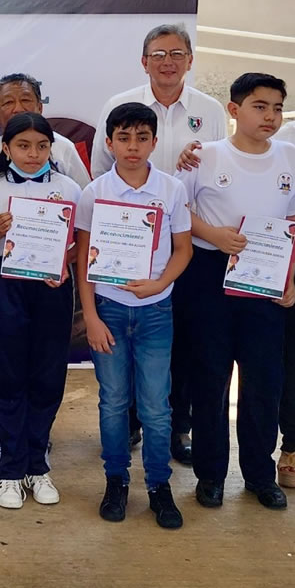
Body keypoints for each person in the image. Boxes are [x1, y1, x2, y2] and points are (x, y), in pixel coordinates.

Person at [94, 24, 226, 463]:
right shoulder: (119, 106)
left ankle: (176, 427)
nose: (167, 61)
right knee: (126, 343)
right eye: (157, 54)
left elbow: (217, 177)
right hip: (128, 248)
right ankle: (129, 424)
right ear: (143, 60)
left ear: (190, 59)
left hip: (189, 244)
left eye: (176, 53)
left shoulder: (208, 111)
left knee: (181, 340)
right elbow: (100, 173)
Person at [175, 73, 295, 511]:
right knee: (210, 379)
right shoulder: (204, 157)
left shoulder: (290, 157)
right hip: (210, 276)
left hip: (265, 278)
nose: (270, 116)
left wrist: (288, 277)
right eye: (259, 106)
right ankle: (210, 475)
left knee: (263, 382)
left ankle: (259, 475)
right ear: (233, 110)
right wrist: (214, 234)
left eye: (277, 108)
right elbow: (179, 212)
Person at [0, 73, 91, 452]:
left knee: (47, 359)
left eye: (26, 100)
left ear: (41, 106)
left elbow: (80, 223)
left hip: (51, 279)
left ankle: (36, 435)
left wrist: (64, 263)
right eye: (9, 103)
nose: (32, 154)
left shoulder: (63, 154)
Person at [76, 102, 192, 530]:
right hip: (108, 309)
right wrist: (90, 315)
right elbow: (85, 258)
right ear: (109, 143)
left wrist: (160, 284)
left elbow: (184, 249)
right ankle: (116, 481)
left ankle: (160, 486)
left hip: (155, 312)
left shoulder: (171, 190)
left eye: (142, 138)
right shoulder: (95, 192)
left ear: (154, 142)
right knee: (114, 402)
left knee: (156, 406)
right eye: (123, 138)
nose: (133, 146)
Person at [0, 113, 81, 509]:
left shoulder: (69, 188)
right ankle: (10, 471)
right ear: (6, 148)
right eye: (23, 146)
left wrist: (64, 261)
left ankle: (38, 465)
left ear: (52, 148)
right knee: (6, 376)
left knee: (48, 375)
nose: (33, 154)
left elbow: (81, 244)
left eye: (41, 146)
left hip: (52, 288)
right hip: (4, 286)